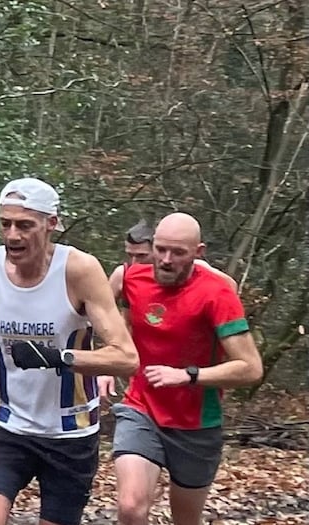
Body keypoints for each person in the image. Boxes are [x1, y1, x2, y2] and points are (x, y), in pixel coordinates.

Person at [0, 178, 139, 525]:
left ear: (51, 224)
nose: (13, 236)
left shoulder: (78, 271)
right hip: (6, 425)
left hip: (70, 434)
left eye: (25, 225)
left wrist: (59, 357)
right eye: (6, 224)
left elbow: (126, 357)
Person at [101, 212, 263, 525]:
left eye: (178, 253)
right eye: (159, 249)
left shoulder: (217, 293)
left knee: (186, 519)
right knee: (131, 507)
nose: (165, 260)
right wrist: (108, 362)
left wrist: (189, 376)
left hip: (197, 422)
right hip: (142, 407)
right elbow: (106, 320)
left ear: (198, 253)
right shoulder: (129, 278)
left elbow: (250, 368)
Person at [109, 220, 237, 302]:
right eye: (130, 255)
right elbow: (101, 311)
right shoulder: (123, 274)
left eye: (142, 256)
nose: (134, 262)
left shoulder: (194, 267)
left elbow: (230, 286)